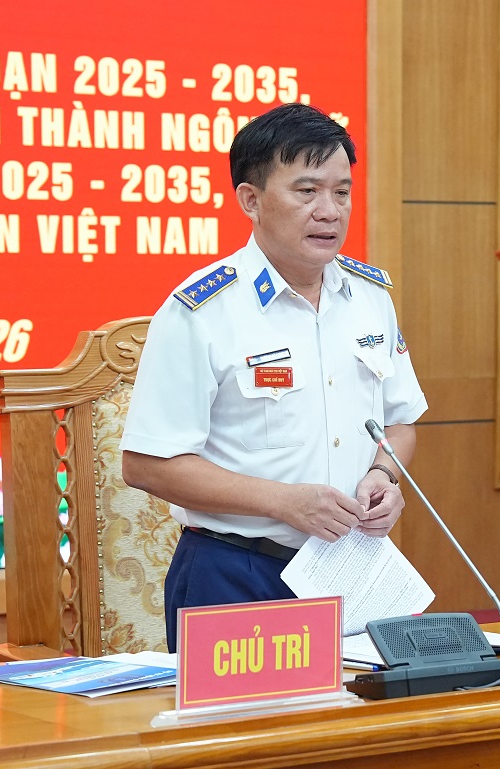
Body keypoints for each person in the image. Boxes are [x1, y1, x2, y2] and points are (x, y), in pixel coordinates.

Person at [120, 104, 428, 651]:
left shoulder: (371, 299)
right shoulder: (202, 310)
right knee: (249, 716)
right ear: (251, 200)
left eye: (341, 192)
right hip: (236, 573)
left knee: (368, 711)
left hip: (352, 569)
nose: (329, 211)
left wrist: (385, 475)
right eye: (307, 191)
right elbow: (146, 464)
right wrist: (282, 502)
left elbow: (400, 423)